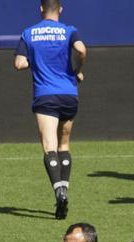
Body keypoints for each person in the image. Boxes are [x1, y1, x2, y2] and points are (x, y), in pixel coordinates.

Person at [14, 0, 87, 220]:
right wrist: (77, 70)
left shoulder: (29, 33)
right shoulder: (69, 31)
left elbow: (19, 64)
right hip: (69, 94)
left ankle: (59, 191)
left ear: (41, 9)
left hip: (45, 95)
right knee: (64, 143)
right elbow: (81, 50)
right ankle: (65, 188)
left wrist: (34, 61)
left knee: (49, 146)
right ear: (60, 10)